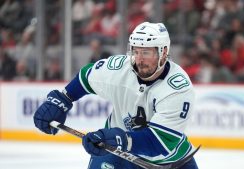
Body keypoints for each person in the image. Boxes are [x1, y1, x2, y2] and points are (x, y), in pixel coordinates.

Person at [33, 22, 198, 169]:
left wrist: (122, 139)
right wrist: (62, 99)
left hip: (170, 162)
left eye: (146, 53)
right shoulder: (119, 69)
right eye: (136, 51)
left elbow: (160, 141)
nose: (139, 59)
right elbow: (86, 77)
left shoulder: (178, 89)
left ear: (163, 52)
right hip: (116, 152)